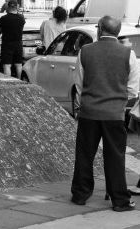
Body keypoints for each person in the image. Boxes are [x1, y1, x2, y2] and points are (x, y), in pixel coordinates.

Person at [71, 15, 139, 212]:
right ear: (117, 32)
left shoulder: (85, 51)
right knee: (115, 156)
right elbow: (133, 89)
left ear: (100, 29)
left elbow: (79, 84)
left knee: (85, 155)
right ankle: (119, 200)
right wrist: (117, 99)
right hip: (114, 114)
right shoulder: (129, 55)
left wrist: (88, 100)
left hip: (89, 112)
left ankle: (80, 195)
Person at [0, 0, 25, 77]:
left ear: (8, 7)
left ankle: (8, 82)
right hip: (18, 43)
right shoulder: (21, 18)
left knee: (7, 65)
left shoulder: (4, 18)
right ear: (17, 7)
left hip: (7, 44)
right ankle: (20, 81)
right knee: (19, 65)